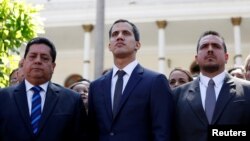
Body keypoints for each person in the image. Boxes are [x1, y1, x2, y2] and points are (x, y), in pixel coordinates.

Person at [88, 19, 174, 141]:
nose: (119, 37)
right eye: (115, 34)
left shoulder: (155, 81)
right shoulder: (96, 86)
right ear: (109, 46)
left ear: (137, 45)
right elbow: (92, 132)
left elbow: (162, 131)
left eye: (126, 33)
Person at [0, 37, 87, 141]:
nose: (38, 61)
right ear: (24, 63)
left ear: (53, 66)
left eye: (44, 58)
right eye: (32, 56)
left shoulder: (72, 100)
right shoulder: (3, 97)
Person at [172, 31, 250, 141]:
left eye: (216, 46)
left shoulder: (247, 90)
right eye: (204, 46)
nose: (210, 49)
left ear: (226, 57)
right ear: (196, 58)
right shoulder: (176, 96)